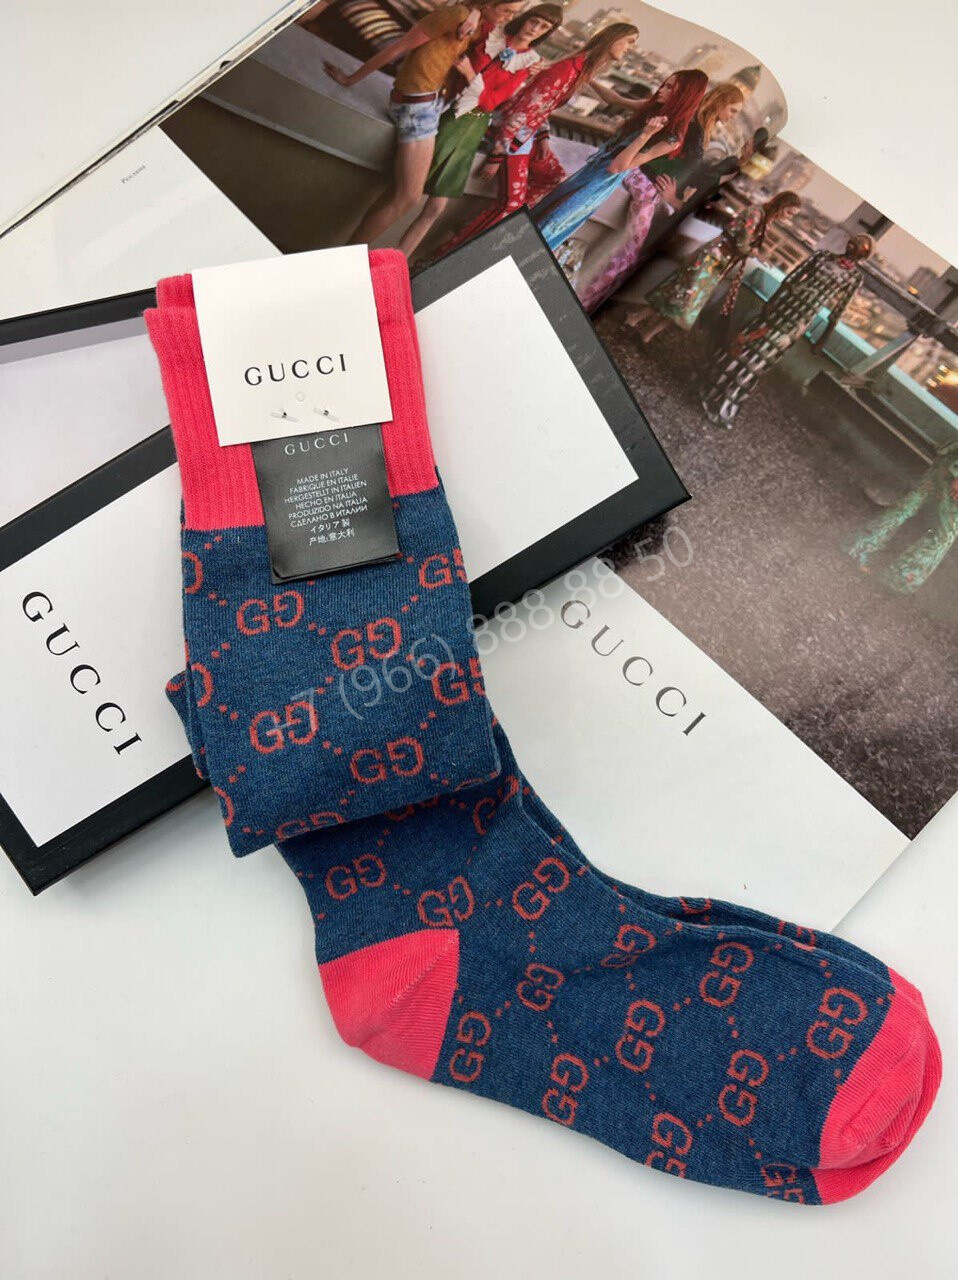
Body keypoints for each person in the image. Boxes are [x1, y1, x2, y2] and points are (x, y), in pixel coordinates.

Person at [324, 2, 526, 245]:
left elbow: (497, 51)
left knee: (400, 194)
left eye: (515, 13)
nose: (510, 17)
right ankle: (349, 257)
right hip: (415, 105)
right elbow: (399, 46)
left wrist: (475, 13)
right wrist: (351, 79)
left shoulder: (479, 23)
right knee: (409, 196)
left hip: (429, 105)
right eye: (507, 9)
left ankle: (351, 252)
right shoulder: (454, 15)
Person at [434, 22, 641, 256]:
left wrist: (542, 137)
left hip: (526, 134)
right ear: (613, 38)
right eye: (630, 41)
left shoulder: (580, 69)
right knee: (511, 204)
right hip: (511, 135)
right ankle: (450, 252)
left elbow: (542, 106)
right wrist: (497, 155)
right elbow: (521, 109)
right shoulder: (567, 69)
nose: (630, 48)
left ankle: (479, 227)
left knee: (552, 178)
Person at [398, 5, 563, 259]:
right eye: (534, 21)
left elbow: (492, 102)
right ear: (524, 18)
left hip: (472, 126)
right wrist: (475, 12)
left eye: (544, 27)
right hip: (446, 112)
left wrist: (470, 74)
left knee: (436, 206)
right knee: (407, 192)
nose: (535, 29)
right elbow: (476, 11)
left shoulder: (529, 62)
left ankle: (396, 260)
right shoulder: (491, 34)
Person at [701, 233, 875, 427]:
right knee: (745, 343)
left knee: (761, 359)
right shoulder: (823, 256)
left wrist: (822, 340)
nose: (854, 245)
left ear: (863, 255)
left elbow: (838, 311)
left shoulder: (855, 277)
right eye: (855, 241)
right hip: (784, 305)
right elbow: (793, 277)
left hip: (801, 319)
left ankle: (726, 404)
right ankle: (710, 387)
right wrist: (772, 300)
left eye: (860, 246)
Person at [534, 69, 707, 254]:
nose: (661, 90)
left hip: (600, 182)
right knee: (544, 212)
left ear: (683, 95)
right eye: (664, 84)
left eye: (670, 87)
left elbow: (617, 167)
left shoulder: (672, 138)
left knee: (553, 223)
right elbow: (615, 100)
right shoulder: (654, 110)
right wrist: (588, 78)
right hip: (590, 170)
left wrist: (645, 135)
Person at [626, 190, 802, 342]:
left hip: (722, 262)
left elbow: (746, 245)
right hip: (713, 257)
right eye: (789, 212)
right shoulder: (756, 214)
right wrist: (757, 254)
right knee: (681, 292)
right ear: (781, 205)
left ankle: (648, 334)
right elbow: (742, 243)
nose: (789, 217)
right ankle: (636, 318)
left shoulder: (765, 222)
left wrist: (754, 252)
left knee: (689, 304)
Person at [844, 440, 958, 592]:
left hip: (951, 458)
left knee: (911, 503)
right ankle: (898, 579)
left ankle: (857, 546)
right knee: (943, 535)